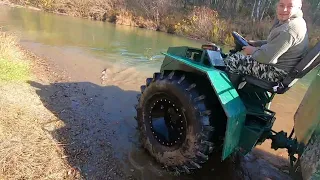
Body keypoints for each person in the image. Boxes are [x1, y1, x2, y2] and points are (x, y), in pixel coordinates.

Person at [224, 0, 309, 82]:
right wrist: (256, 44)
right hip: (279, 67)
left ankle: (225, 94)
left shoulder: (289, 30)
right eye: (281, 5)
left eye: (290, 6)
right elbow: (276, 42)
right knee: (237, 58)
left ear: (299, 7)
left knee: (232, 61)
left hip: (277, 72)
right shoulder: (296, 21)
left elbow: (267, 58)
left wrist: (252, 50)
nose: (284, 9)